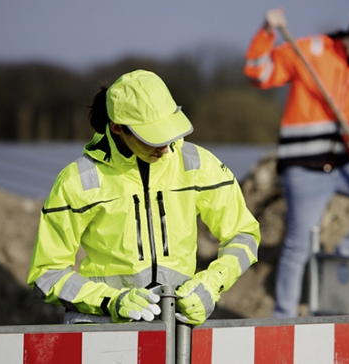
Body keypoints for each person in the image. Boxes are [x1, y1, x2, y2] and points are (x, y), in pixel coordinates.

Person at [27, 69, 260, 325]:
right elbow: (47, 274)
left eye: (167, 131)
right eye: (152, 137)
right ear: (117, 128)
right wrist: (109, 302)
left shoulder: (197, 164)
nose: (164, 146)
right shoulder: (78, 180)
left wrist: (213, 283)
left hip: (175, 323)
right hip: (101, 329)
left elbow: (243, 235)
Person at [243, 6, 349, 318]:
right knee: (299, 244)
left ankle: (344, 256)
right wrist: (267, 32)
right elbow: (258, 73)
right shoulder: (310, 51)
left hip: (344, 164)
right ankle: (284, 318)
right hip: (304, 166)